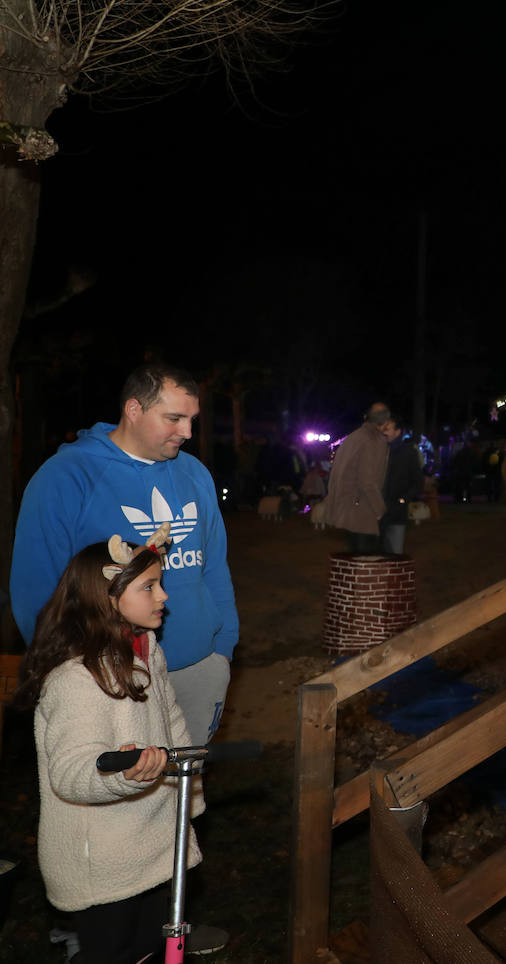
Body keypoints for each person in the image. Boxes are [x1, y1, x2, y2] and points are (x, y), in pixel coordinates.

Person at [8, 363, 234, 954]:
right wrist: (68, 663)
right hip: (101, 677)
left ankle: (166, 918)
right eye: (174, 418)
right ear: (134, 410)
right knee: (99, 786)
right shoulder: (67, 476)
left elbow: (215, 566)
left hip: (185, 669)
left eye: (192, 420)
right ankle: (88, 925)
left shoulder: (195, 475)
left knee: (174, 791)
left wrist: (223, 646)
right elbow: (37, 585)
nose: (187, 431)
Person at [11, 528, 205, 964]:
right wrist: (122, 774)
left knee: (151, 949)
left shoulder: (146, 649)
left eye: (160, 584)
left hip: (154, 840)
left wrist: (188, 788)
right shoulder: (76, 679)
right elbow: (72, 771)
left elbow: (171, 722)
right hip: (104, 857)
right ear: (108, 596)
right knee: (113, 953)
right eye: (149, 587)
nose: (164, 597)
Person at [317, 403, 392, 553]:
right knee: (367, 563)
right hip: (362, 509)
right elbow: (367, 481)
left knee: (354, 561)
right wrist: (380, 510)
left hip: (348, 507)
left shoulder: (354, 437)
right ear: (385, 421)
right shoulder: (373, 440)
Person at [379, 420, 424, 554]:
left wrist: (402, 500)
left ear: (398, 432)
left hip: (396, 514)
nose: (383, 432)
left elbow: (417, 482)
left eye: (387, 428)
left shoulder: (408, 452)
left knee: (395, 556)